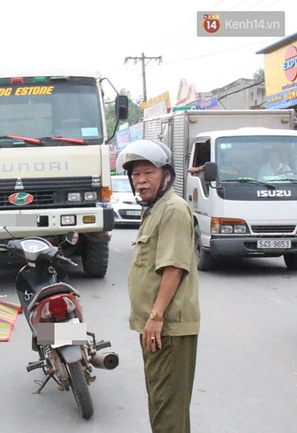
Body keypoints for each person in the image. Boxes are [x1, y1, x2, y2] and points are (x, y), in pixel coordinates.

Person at [116, 139, 200, 433]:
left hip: (168, 328)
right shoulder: (154, 209)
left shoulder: (173, 210)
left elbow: (174, 268)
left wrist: (156, 316)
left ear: (166, 175)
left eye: (147, 172)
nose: (140, 181)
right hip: (156, 327)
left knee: (168, 409)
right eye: (135, 174)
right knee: (162, 403)